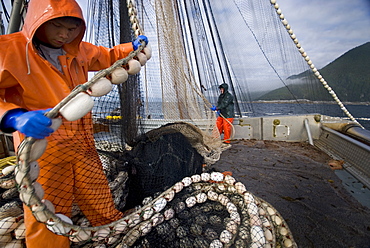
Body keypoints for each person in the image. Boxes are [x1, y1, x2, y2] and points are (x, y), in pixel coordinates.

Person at [0, 0, 148, 247]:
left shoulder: (78, 51)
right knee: (48, 208)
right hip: (43, 147)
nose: (63, 35)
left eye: (71, 29)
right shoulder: (9, 50)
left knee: (96, 189)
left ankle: (112, 232)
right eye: (57, 26)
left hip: (82, 140)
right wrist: (13, 116)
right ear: (38, 21)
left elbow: (107, 56)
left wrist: (131, 48)